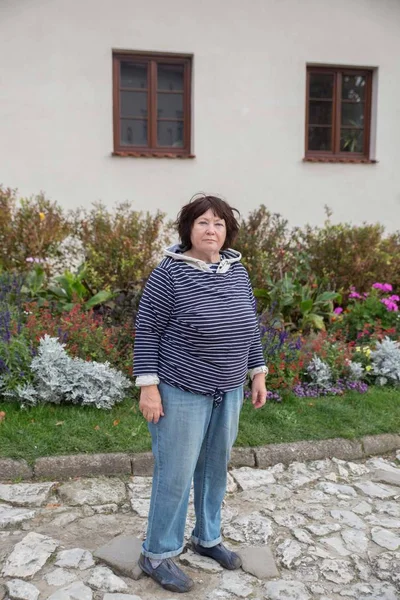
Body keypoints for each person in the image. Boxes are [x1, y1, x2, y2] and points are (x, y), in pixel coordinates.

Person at [133, 194, 268, 593]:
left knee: (214, 470)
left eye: (219, 224)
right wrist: (149, 388)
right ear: (189, 229)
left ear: (228, 231)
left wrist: (256, 372)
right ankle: (157, 552)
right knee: (174, 474)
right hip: (181, 389)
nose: (212, 230)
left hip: (228, 389)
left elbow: (249, 326)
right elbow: (147, 330)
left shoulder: (236, 272)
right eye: (204, 223)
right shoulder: (169, 274)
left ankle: (207, 538)